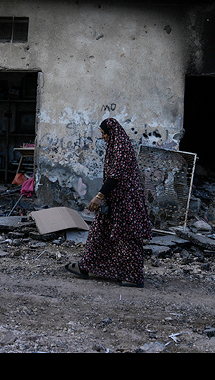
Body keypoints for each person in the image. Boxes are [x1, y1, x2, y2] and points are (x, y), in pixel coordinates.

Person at [65, 117, 152, 287]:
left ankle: (133, 277)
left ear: (112, 133)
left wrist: (99, 196)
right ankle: (86, 266)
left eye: (105, 134)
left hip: (126, 202)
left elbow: (116, 175)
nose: (103, 137)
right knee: (99, 233)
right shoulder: (116, 145)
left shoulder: (121, 148)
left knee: (127, 238)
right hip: (115, 200)